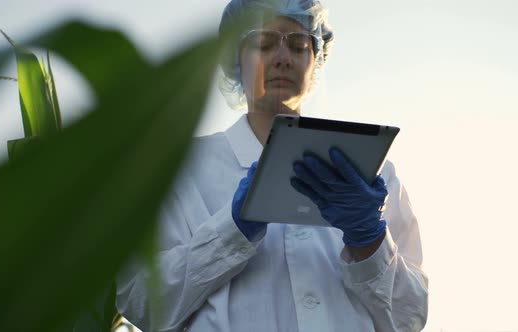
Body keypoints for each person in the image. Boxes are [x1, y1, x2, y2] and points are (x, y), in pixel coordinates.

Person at [116, 0, 428, 331]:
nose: (282, 58)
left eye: (298, 45)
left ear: (315, 58)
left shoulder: (372, 172)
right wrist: (232, 229)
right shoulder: (181, 168)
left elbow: (410, 317)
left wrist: (369, 242)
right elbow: (141, 302)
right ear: (235, 57)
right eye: (264, 43)